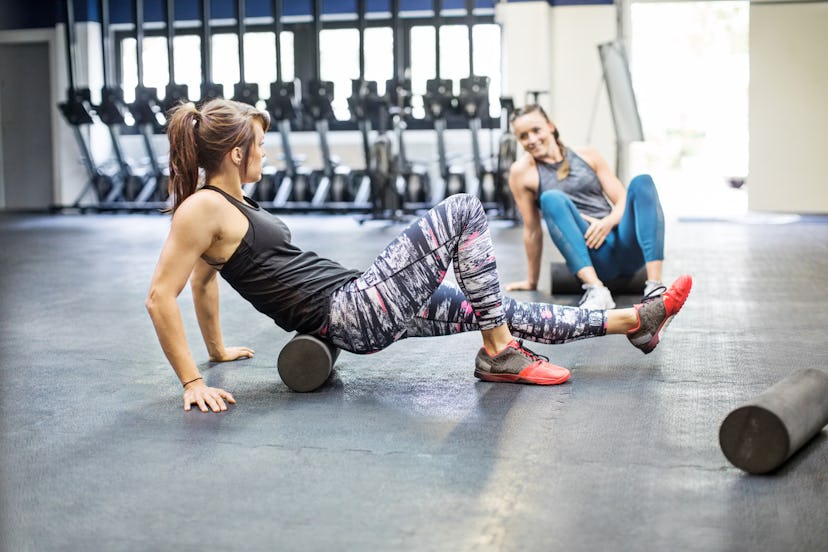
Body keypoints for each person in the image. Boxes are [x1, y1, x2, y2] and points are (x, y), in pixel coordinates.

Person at [145, 99, 693, 413]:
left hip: (359, 302)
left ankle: (632, 323)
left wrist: (219, 349)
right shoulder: (202, 208)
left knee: (495, 307)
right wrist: (195, 380)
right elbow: (160, 296)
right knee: (461, 209)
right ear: (237, 152)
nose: (265, 153)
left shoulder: (232, 204)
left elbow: (205, 282)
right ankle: (501, 354)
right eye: (259, 146)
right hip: (352, 310)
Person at [507, 104, 668, 309]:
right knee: (551, 198)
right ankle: (597, 290)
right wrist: (532, 281)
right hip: (594, 253)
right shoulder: (522, 172)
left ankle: (655, 288)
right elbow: (532, 230)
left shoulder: (587, 155)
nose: (531, 139)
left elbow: (623, 200)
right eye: (523, 136)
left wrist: (607, 223)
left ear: (550, 126)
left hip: (623, 243)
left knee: (642, 182)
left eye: (536, 130)